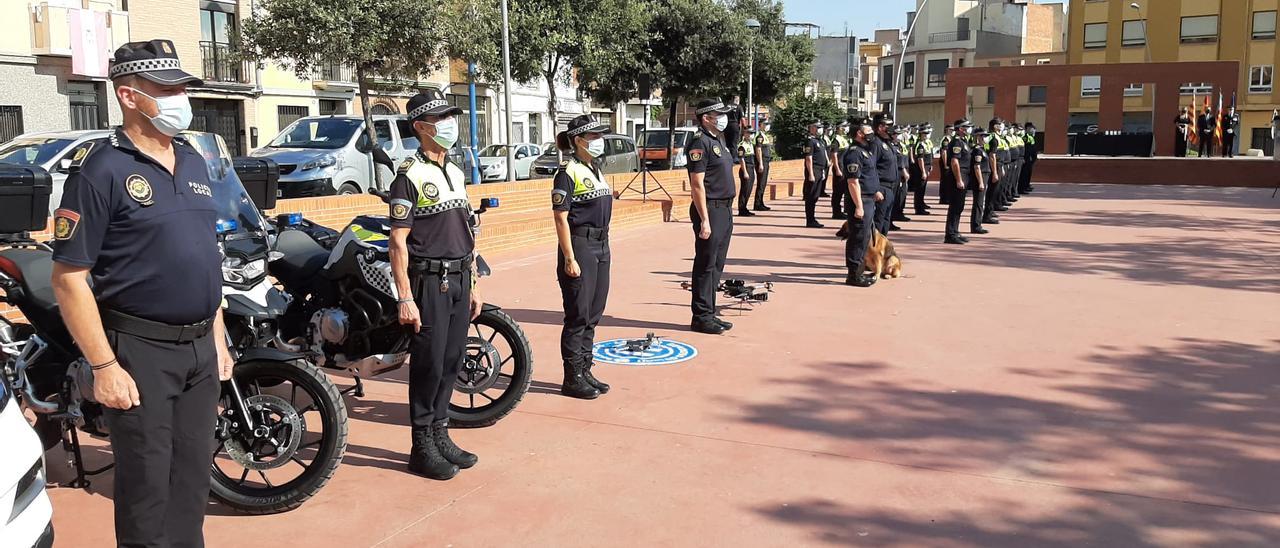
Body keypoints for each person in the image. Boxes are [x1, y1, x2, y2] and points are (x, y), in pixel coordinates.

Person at [48, 39, 231, 547]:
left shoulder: (191, 159)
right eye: (166, 90)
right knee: (148, 489)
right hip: (139, 351)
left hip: (199, 349)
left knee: (191, 483)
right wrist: (105, 367)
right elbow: (68, 278)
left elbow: (206, 256)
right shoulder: (100, 170)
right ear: (129, 96)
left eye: (182, 89)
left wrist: (217, 337)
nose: (180, 99)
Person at [388, 89, 483, 480]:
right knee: (429, 363)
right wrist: (405, 297)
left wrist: (474, 282)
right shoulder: (408, 176)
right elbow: (398, 241)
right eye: (441, 119)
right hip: (429, 281)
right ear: (421, 127)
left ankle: (440, 433)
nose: (449, 125)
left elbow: (468, 231)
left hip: (460, 277)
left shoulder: (456, 172)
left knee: (451, 360)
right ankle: (421, 445)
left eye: (450, 117)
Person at [551, 115, 615, 400]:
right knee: (578, 314)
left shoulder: (595, 169)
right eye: (594, 136)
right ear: (578, 140)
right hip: (580, 245)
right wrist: (569, 257)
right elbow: (560, 218)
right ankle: (572, 376)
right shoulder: (567, 172)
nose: (600, 141)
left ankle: (585, 369)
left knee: (594, 312)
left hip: (602, 245)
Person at [686, 98, 737, 335]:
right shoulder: (700, 142)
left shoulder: (718, 140)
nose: (724, 119)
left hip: (724, 209)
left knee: (717, 264)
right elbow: (697, 184)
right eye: (719, 115)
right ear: (706, 118)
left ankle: (710, 312)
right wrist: (704, 219)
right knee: (705, 264)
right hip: (710, 209)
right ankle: (701, 317)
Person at [841, 117, 881, 287]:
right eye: (868, 130)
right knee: (858, 238)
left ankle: (859, 271)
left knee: (864, 237)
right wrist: (858, 206)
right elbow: (853, 181)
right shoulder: (854, 153)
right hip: (860, 200)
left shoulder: (865, 151)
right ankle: (853, 275)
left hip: (868, 199)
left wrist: (875, 191)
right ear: (859, 133)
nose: (871, 133)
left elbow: (868, 176)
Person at [943, 119, 976, 244]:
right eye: (966, 127)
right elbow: (954, 162)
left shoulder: (963, 141)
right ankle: (950, 235)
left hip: (964, 175)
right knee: (955, 206)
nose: (969, 129)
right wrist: (959, 179)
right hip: (959, 176)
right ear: (961, 129)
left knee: (959, 207)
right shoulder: (956, 142)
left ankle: (955, 231)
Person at [870, 113, 899, 235]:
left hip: (890, 187)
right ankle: (874, 244)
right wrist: (876, 189)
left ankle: (882, 243)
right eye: (888, 125)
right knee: (878, 221)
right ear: (880, 127)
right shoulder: (875, 143)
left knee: (886, 221)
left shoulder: (887, 142)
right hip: (881, 187)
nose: (891, 127)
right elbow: (871, 167)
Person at [801, 120, 829, 228]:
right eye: (818, 127)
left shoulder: (819, 141)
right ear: (812, 128)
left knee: (815, 196)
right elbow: (809, 158)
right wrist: (811, 174)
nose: (820, 129)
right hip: (814, 170)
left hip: (820, 170)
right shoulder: (810, 141)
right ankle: (810, 220)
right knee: (811, 196)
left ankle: (812, 218)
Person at [970, 125, 993, 236]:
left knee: (980, 202)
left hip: (985, 176)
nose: (985, 138)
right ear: (978, 137)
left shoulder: (982, 149)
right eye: (983, 136)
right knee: (978, 203)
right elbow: (977, 167)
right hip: (980, 177)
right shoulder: (977, 151)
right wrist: (980, 182)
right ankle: (976, 225)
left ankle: (977, 224)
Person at [828, 120, 851, 220]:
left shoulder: (844, 138)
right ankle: (836, 212)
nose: (847, 128)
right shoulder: (836, 140)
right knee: (838, 191)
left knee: (844, 190)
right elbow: (834, 155)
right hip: (840, 167)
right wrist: (837, 169)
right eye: (845, 126)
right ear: (840, 128)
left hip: (845, 168)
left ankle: (842, 211)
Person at [890, 126, 911, 229]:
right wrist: (904, 171)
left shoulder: (900, 145)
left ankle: (897, 214)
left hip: (903, 172)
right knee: (893, 197)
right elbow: (898, 161)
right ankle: (890, 219)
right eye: (897, 134)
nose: (900, 136)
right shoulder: (891, 146)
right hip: (897, 173)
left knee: (901, 195)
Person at [911, 124, 934, 216]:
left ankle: (921, 204)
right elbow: (920, 159)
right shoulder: (920, 145)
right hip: (921, 169)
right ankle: (919, 208)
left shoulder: (926, 143)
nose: (926, 135)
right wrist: (923, 171)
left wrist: (930, 165)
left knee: (923, 188)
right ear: (921, 134)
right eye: (925, 133)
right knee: (920, 189)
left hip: (926, 167)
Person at [736, 124, 759, 216]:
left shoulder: (750, 144)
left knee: (749, 189)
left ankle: (744, 207)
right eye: (749, 133)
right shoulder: (742, 145)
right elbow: (741, 159)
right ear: (744, 134)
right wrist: (745, 172)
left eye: (752, 133)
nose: (751, 135)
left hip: (751, 167)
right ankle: (741, 209)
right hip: (746, 168)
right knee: (745, 190)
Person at [752, 120, 774, 211]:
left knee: (763, 183)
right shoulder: (760, 136)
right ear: (760, 125)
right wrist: (760, 163)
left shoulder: (764, 135)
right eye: (765, 124)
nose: (767, 126)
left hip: (765, 161)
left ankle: (760, 202)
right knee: (761, 183)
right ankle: (757, 204)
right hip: (762, 162)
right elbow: (758, 150)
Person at [938, 124, 955, 205]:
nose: (952, 131)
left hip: (948, 162)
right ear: (947, 130)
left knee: (948, 180)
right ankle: (944, 198)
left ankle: (947, 197)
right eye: (951, 130)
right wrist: (945, 164)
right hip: (945, 162)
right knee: (945, 180)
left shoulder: (950, 139)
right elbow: (944, 152)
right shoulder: (946, 140)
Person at [1019, 122, 1038, 194]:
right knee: (1024, 174)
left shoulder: (1031, 137)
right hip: (1027, 158)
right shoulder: (1025, 137)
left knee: (1028, 173)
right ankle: (1022, 188)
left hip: (1030, 159)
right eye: (1031, 128)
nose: (1032, 130)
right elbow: (1025, 148)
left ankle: (1027, 185)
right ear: (1027, 129)